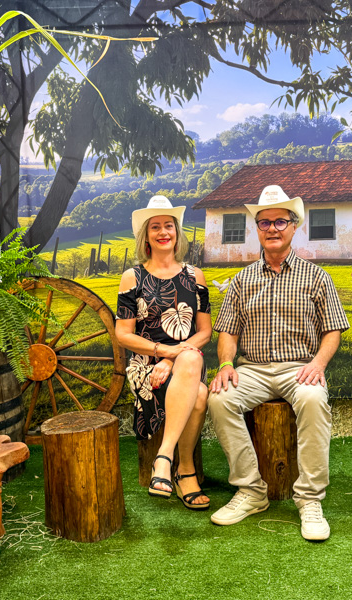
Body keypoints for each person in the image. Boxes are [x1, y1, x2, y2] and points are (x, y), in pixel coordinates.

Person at [208, 185, 349, 540]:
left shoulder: (317, 277)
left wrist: (318, 364)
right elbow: (228, 332)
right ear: (257, 228)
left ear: (294, 226)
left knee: (314, 399)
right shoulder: (242, 280)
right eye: (265, 222)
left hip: (299, 368)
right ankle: (251, 491)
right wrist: (226, 364)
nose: (272, 228)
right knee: (219, 399)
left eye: (280, 221)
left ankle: (310, 499)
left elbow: (333, 330)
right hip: (252, 369)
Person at [116, 195, 212, 510]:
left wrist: (172, 359)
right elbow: (123, 334)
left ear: (177, 232)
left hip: (186, 361)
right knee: (199, 394)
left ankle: (164, 458)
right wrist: (164, 352)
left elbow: (204, 332)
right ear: (146, 235)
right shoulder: (132, 277)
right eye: (155, 227)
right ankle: (185, 471)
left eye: (168, 225)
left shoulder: (195, 276)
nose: (163, 232)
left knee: (191, 361)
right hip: (146, 366)